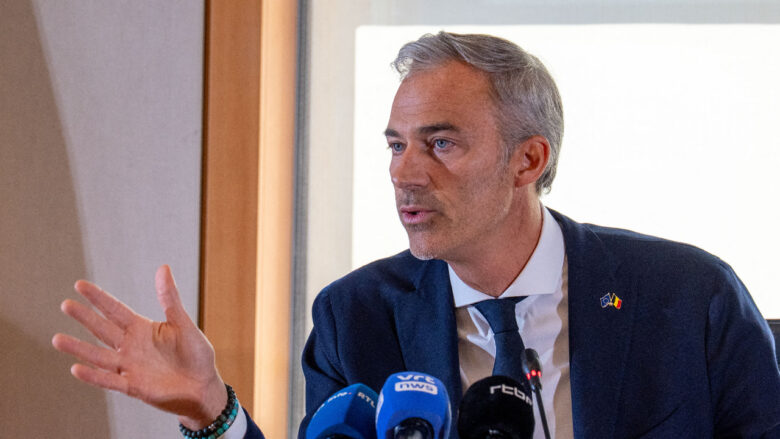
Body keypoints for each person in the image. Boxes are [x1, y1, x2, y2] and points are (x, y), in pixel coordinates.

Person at [53, 32, 779, 439]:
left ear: (528, 160)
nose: (405, 172)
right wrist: (213, 410)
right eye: (396, 145)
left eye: (441, 143)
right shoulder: (354, 316)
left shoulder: (689, 297)